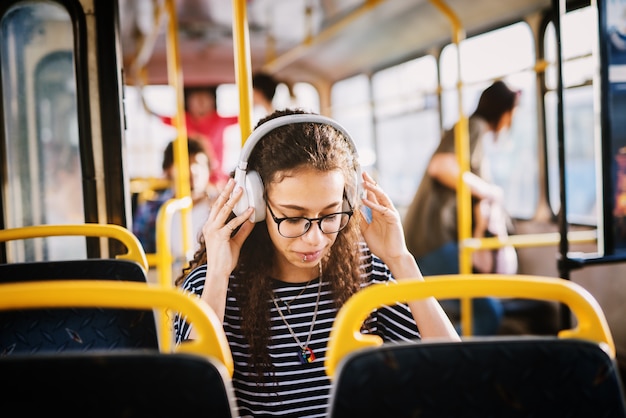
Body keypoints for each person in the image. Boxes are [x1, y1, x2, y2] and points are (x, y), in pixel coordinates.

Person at [173, 109, 459, 417]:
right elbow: (190, 399)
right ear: (254, 205)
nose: (315, 239)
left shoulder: (370, 277)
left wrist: (400, 259)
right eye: (294, 218)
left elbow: (455, 372)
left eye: (330, 214)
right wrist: (218, 275)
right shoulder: (211, 287)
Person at [402, 80, 521, 336]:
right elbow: (441, 166)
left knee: (475, 310)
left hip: (432, 239)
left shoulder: (472, 131)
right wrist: (491, 192)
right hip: (434, 239)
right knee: (487, 313)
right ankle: (441, 356)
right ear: (504, 111)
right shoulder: (473, 126)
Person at [132, 137, 217, 258]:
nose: (193, 171)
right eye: (185, 164)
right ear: (168, 170)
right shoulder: (152, 210)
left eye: (199, 164)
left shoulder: (222, 206)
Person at [160, 87, 238, 185]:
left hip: (215, 177)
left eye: (204, 99)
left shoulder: (219, 120)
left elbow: (244, 114)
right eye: (196, 99)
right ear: (189, 103)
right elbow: (154, 114)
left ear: (212, 102)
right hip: (187, 177)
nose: (200, 103)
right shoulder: (183, 119)